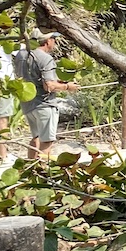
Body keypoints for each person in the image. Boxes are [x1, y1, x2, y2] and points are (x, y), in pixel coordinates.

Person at [16, 31, 79, 159]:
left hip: (27, 104)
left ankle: (29, 171)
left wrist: (57, 82)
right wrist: (67, 87)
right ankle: (42, 173)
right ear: (47, 41)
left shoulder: (21, 55)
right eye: (53, 39)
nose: (54, 42)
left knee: (35, 139)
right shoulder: (45, 58)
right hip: (44, 104)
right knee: (46, 141)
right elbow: (49, 86)